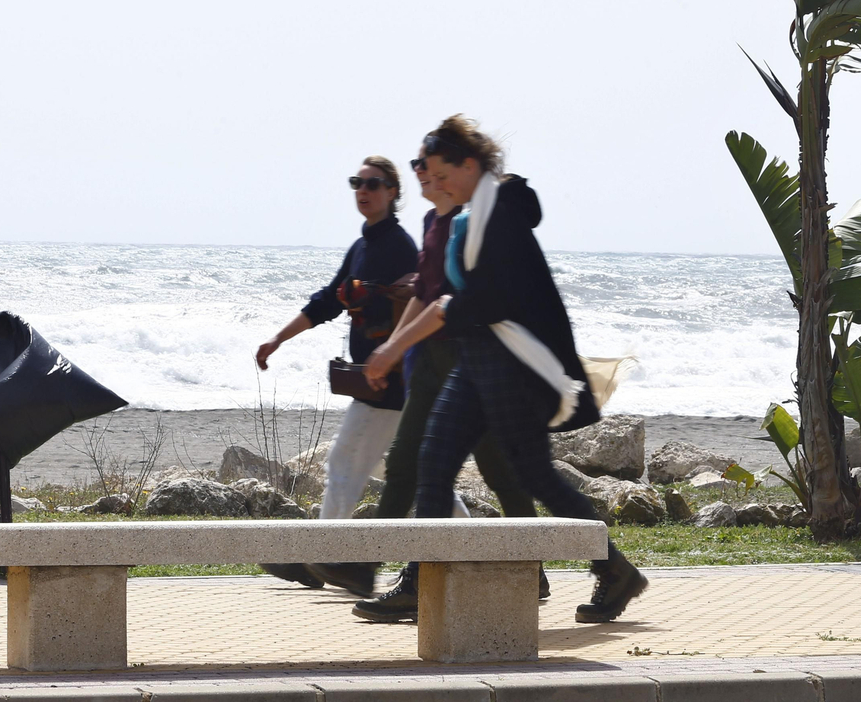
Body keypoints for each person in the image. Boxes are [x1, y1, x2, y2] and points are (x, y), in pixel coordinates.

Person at [355, 116, 647, 625]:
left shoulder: (502, 212)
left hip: (514, 367)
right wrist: (398, 346)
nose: (434, 181)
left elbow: (484, 298)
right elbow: (449, 295)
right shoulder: (472, 213)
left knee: (533, 475)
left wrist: (405, 340)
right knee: (433, 463)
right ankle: (420, 580)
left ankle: (614, 569)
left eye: (441, 172)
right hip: (476, 361)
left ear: (469, 164)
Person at [351, 147, 546, 621]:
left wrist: (393, 348)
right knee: (475, 472)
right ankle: (539, 569)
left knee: (435, 468)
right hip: (442, 364)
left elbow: (446, 301)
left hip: (472, 364)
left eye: (429, 165)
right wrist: (395, 348)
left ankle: (414, 580)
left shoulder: (472, 222)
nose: (420, 171)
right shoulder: (435, 223)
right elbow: (426, 294)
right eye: (417, 164)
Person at [254, 155, 416, 596]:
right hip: (374, 381)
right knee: (418, 480)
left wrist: (394, 360)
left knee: (344, 464)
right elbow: (328, 301)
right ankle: (491, 551)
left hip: (391, 385)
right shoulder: (363, 246)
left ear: (393, 192)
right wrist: (278, 339)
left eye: (374, 183)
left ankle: (327, 557)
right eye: (357, 183)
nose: (364, 190)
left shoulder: (400, 247)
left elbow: (415, 312)